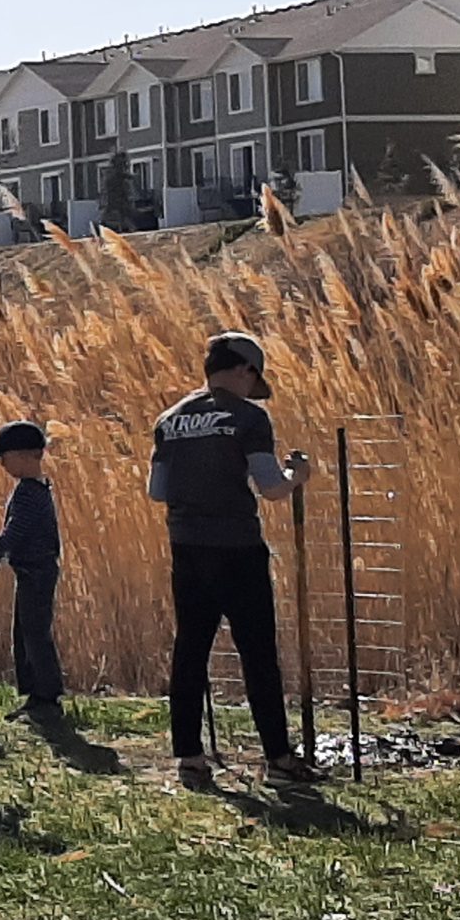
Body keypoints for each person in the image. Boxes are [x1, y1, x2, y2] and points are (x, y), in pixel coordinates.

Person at [152, 333, 326, 789]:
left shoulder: (169, 420)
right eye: (254, 377)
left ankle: (189, 757)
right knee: (257, 652)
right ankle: (278, 760)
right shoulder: (250, 418)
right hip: (237, 548)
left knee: (190, 649)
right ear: (245, 370)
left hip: (186, 548)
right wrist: (298, 476)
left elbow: (157, 491)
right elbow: (270, 487)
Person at [0, 420, 65, 720]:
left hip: (35, 572)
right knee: (29, 632)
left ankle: (45, 697)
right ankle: (38, 695)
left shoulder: (27, 493)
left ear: (28, 456)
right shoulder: (38, 488)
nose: (1, 464)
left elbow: (15, 533)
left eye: (5, 457)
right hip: (35, 570)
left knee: (33, 634)